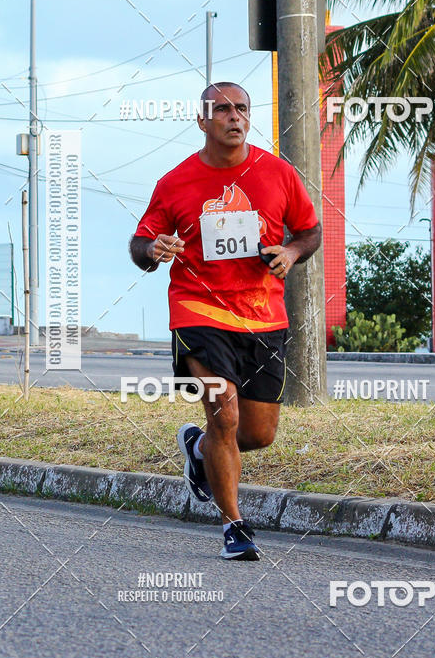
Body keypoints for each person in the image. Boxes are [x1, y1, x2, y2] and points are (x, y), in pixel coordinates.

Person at [129, 82, 321, 560]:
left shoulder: (278, 173)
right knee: (224, 412)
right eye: (222, 110)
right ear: (202, 120)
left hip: (262, 316)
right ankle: (234, 527)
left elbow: (309, 231)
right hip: (199, 311)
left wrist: (291, 252)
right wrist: (153, 250)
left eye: (242, 109)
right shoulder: (175, 182)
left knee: (257, 434)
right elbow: (141, 244)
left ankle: (198, 452)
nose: (234, 117)